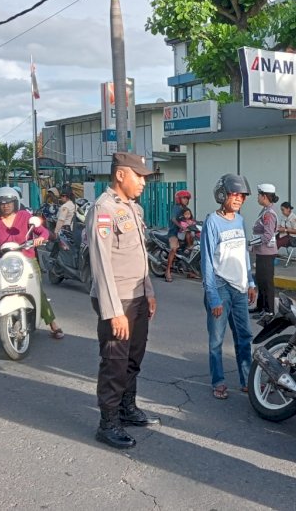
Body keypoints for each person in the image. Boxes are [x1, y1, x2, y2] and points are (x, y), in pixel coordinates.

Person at [87, 152, 159, 450]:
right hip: (118, 301)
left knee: (133, 358)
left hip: (138, 297)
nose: (143, 182)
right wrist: (113, 311)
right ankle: (108, 423)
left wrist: (150, 291)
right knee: (114, 363)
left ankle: (127, 408)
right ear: (120, 175)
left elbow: (140, 256)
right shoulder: (103, 209)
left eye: (144, 177)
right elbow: (100, 264)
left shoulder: (133, 209)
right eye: (138, 176)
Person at [0, 187, 64, 349]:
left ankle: (53, 324)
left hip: (26, 259)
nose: (5, 206)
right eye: (1, 203)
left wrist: (40, 239)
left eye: (8, 203)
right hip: (2, 260)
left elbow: (43, 232)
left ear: (15, 203)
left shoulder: (25, 216)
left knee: (37, 290)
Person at [200, 174, 257, 401]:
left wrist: (250, 281)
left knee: (244, 336)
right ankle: (219, 381)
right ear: (222, 195)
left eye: (242, 196)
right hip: (220, 287)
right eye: (234, 194)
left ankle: (246, 380)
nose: (239, 199)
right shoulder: (212, 221)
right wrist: (213, 296)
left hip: (240, 288)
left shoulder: (240, 220)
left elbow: (243, 254)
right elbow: (206, 262)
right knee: (216, 340)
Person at [250, 183, 279, 318]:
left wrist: (251, 243)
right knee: (261, 280)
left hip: (267, 252)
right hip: (262, 252)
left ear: (264, 196)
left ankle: (269, 311)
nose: (257, 198)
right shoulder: (265, 211)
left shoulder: (269, 214)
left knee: (267, 282)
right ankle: (260, 307)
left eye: (259, 195)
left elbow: (267, 236)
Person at [165, 189, 191, 282]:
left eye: (187, 198)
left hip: (183, 233)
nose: (186, 200)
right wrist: (181, 226)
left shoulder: (186, 209)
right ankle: (168, 270)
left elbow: (190, 219)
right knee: (174, 248)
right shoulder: (176, 208)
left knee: (191, 247)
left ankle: (190, 271)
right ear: (179, 199)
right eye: (184, 198)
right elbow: (173, 219)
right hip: (174, 233)